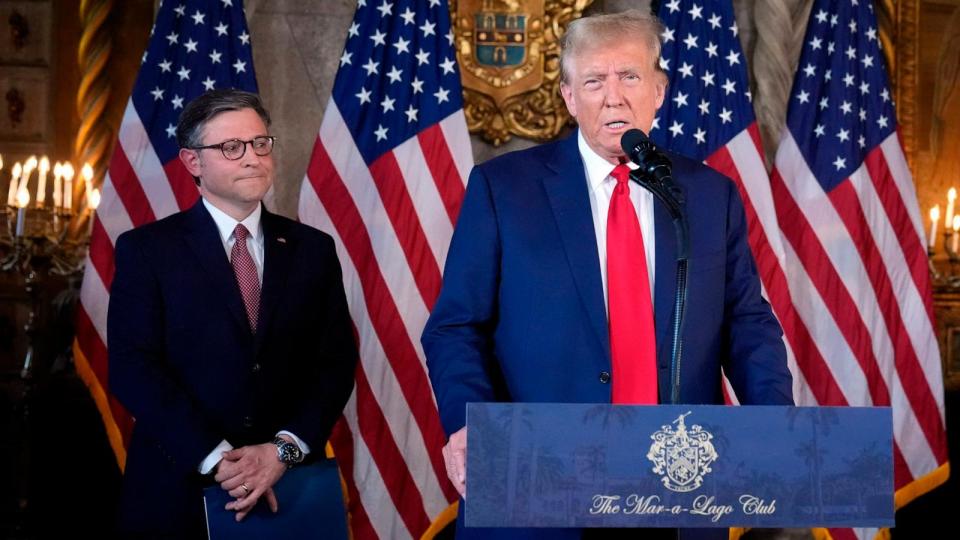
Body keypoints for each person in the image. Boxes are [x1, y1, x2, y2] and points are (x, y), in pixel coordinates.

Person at [421, 9, 793, 540]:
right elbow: (455, 327)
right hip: (540, 487)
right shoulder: (503, 190)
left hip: (676, 487)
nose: (613, 96)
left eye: (630, 76)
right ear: (570, 97)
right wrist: (467, 425)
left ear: (659, 90)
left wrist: (775, 427)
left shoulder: (710, 195)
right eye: (594, 80)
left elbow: (748, 325)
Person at [108, 89, 357, 537]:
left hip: (290, 487)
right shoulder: (147, 250)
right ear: (192, 162)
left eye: (260, 143)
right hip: (178, 488)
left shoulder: (312, 250)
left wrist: (282, 452)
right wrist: (221, 460)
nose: (252, 158)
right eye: (231, 147)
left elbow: (334, 365)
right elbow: (133, 368)